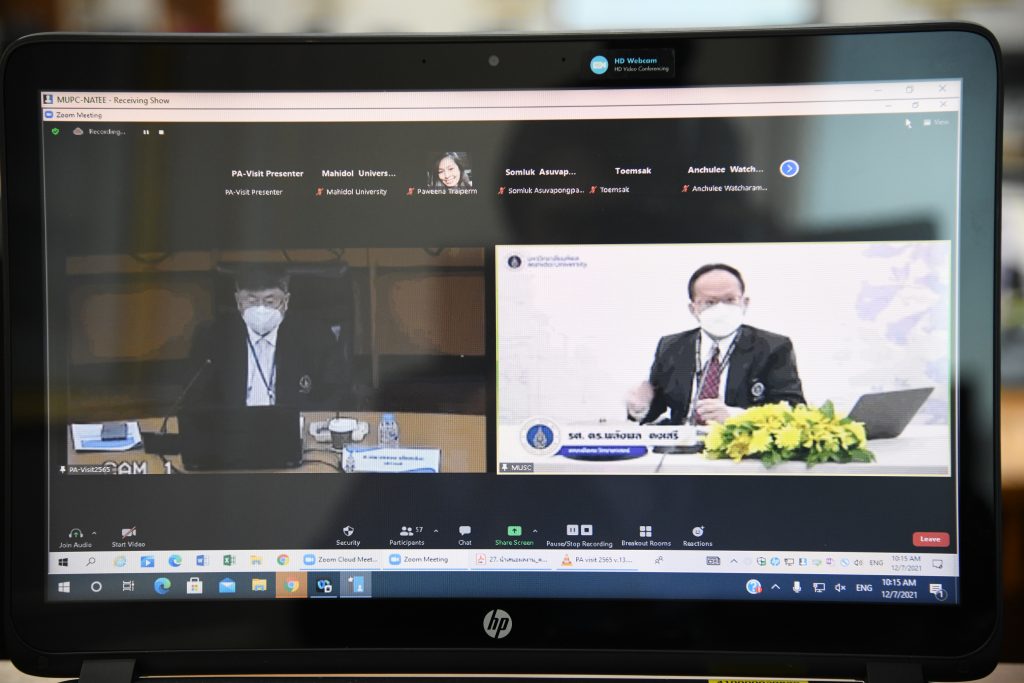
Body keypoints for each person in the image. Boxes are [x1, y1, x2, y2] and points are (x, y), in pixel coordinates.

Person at [626, 263, 804, 425]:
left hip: (741, 445)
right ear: (693, 309)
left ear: (745, 303)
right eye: (709, 302)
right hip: (683, 444)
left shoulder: (773, 347)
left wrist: (737, 417)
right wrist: (640, 408)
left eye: (730, 300)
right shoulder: (671, 346)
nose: (720, 309)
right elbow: (655, 409)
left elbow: (793, 409)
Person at [187, 267, 347, 409]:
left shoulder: (315, 335)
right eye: (251, 301)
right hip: (233, 429)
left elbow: (334, 394)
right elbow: (196, 398)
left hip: (292, 428)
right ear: (238, 302)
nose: (260, 309)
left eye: (269, 301)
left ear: (286, 301)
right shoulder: (213, 337)